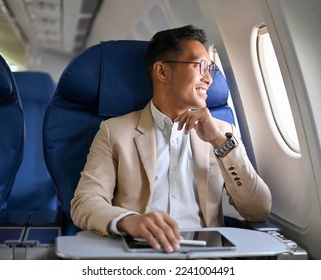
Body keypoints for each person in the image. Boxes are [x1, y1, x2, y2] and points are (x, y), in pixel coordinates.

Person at [71, 25, 272, 253]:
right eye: (200, 67)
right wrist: (129, 221)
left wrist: (219, 142)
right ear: (162, 72)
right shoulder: (115, 131)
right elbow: (84, 203)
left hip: (205, 259)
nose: (208, 79)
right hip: (138, 255)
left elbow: (258, 211)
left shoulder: (224, 133)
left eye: (211, 70)